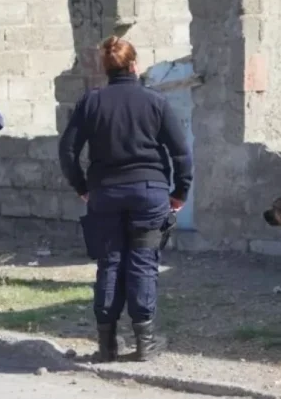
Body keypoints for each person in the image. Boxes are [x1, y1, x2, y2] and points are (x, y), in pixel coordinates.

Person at [58, 35, 193, 362]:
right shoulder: (154, 101)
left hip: (104, 193)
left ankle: (107, 345)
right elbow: (181, 153)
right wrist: (180, 192)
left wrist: (81, 186)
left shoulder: (90, 102)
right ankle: (144, 342)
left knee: (110, 262)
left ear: (106, 68)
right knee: (143, 262)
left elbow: (67, 150)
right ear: (134, 65)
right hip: (149, 193)